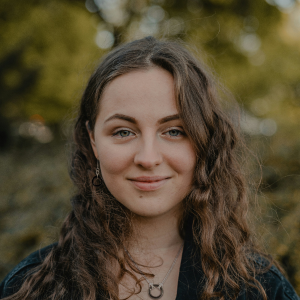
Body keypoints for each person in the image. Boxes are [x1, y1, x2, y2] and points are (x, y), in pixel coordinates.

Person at [0, 36, 299, 300]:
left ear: (204, 141)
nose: (148, 157)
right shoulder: (30, 286)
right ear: (93, 141)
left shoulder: (259, 288)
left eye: (174, 131)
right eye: (123, 132)